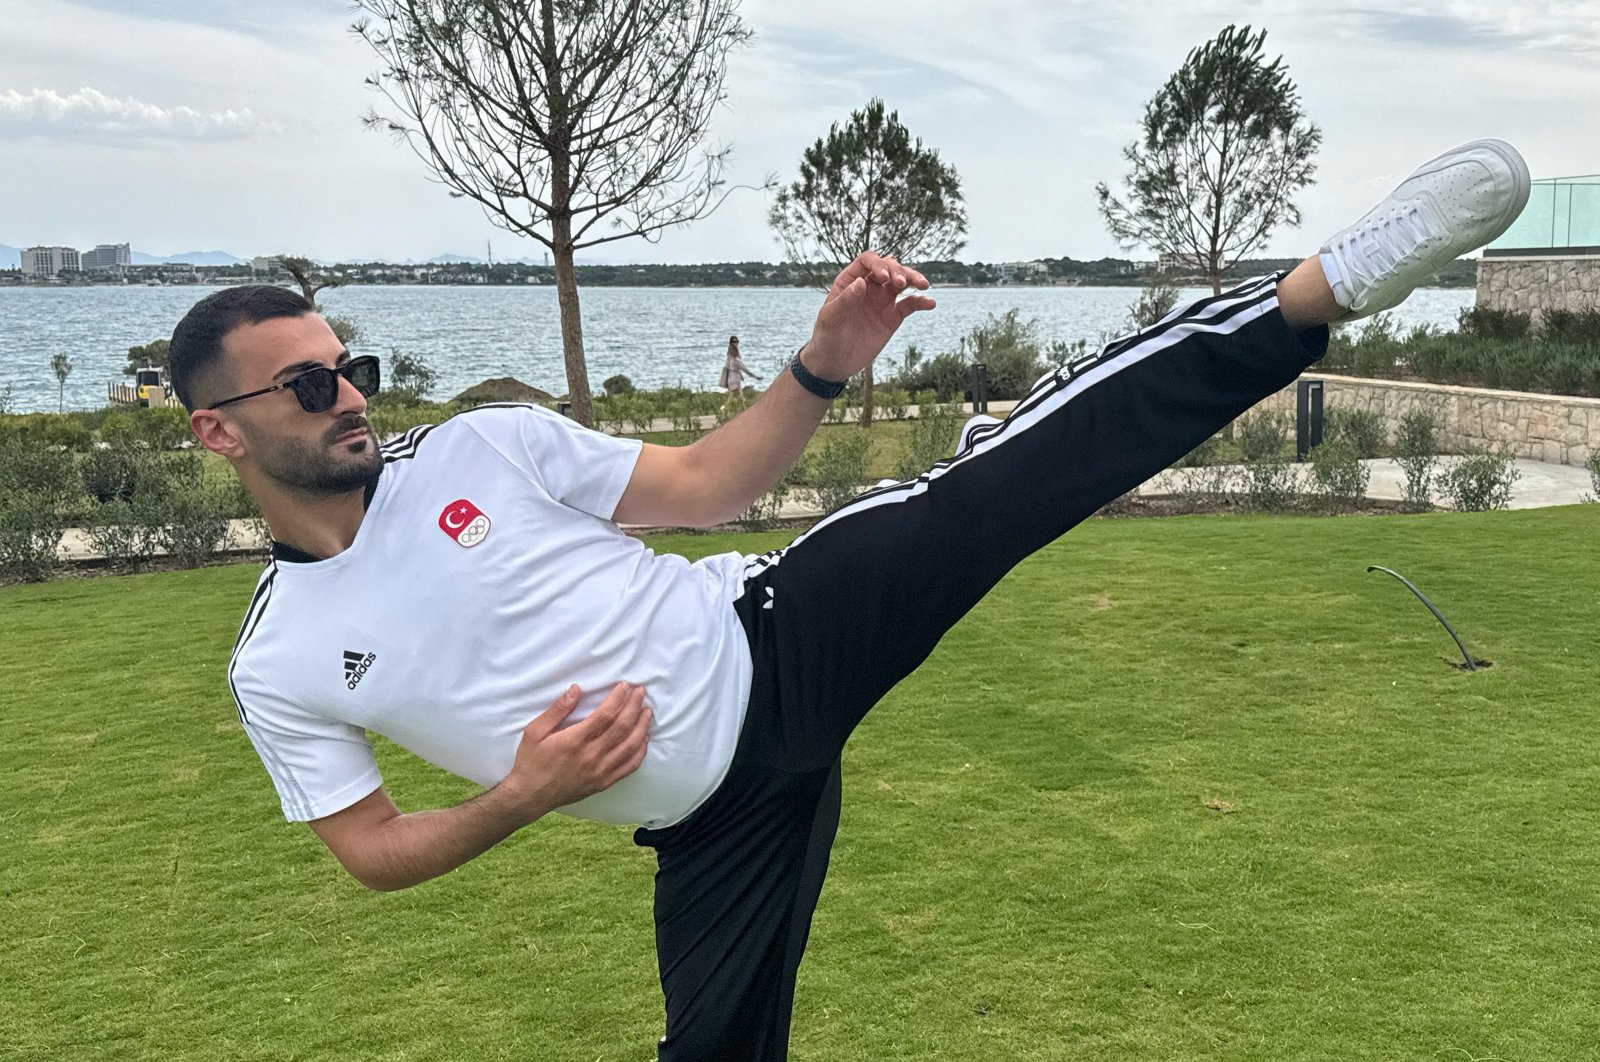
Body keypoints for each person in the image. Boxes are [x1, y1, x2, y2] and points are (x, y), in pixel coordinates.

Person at [172, 139, 1528, 1060]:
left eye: (346, 364)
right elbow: (372, 847)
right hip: (714, 837)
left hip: (776, 637)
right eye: (306, 384)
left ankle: (1315, 289)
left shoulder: (479, 445)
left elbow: (706, 485)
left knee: (1007, 481)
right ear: (219, 432)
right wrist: (522, 794)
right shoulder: (279, 660)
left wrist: (820, 365)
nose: (347, 393)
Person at [719, 334, 762, 400]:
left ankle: (729, 408)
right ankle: (724, 409)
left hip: (731, 379)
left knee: (739, 398)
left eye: (737, 341)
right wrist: (756, 377)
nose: (736, 343)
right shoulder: (736, 360)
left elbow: (730, 367)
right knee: (733, 398)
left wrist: (740, 375)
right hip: (735, 380)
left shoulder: (729, 356)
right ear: (731, 343)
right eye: (734, 341)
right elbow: (746, 370)